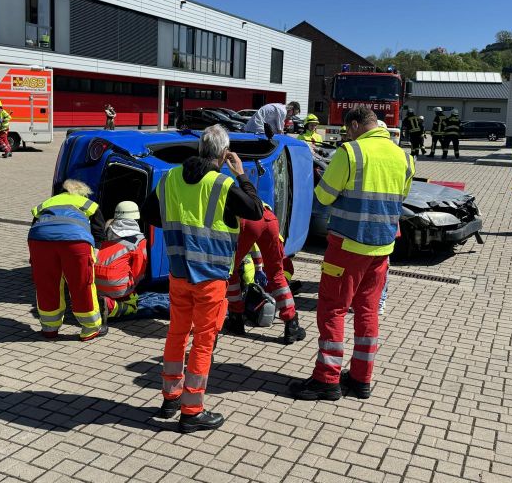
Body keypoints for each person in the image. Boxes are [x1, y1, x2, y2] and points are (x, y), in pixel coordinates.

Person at [140, 124, 263, 433]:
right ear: (224, 154)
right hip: (210, 277)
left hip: (179, 273)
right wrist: (241, 174)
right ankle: (192, 411)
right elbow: (255, 211)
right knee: (203, 343)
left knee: (176, 334)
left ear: (199, 150)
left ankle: (170, 399)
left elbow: (149, 213)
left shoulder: (170, 178)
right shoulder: (222, 183)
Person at [290, 107, 414, 402]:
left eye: (347, 130)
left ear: (356, 125)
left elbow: (323, 197)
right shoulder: (404, 157)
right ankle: (361, 379)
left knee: (332, 309)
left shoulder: (350, 153)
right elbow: (401, 197)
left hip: (347, 245)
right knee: (367, 312)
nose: (346, 135)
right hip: (382, 248)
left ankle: (327, 379)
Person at [28, 179, 108, 341]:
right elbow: (99, 231)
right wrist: (94, 253)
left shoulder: (47, 203)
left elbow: (35, 225)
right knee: (81, 283)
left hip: (40, 241)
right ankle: (90, 328)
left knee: (46, 284)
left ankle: (49, 328)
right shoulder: (88, 204)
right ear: (83, 192)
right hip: (75, 242)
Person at [224, 206, 306, 344]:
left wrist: (258, 266)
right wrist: (258, 267)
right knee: (276, 274)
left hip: (246, 219)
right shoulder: (252, 198)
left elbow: (252, 234)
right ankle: (292, 324)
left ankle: (235, 318)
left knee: (230, 271)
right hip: (269, 218)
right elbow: (256, 240)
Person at [94, 201, 146, 319]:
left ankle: (98, 301)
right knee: (134, 304)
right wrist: (133, 285)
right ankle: (110, 305)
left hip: (95, 282)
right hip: (116, 286)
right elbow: (138, 270)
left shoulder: (106, 230)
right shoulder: (139, 239)